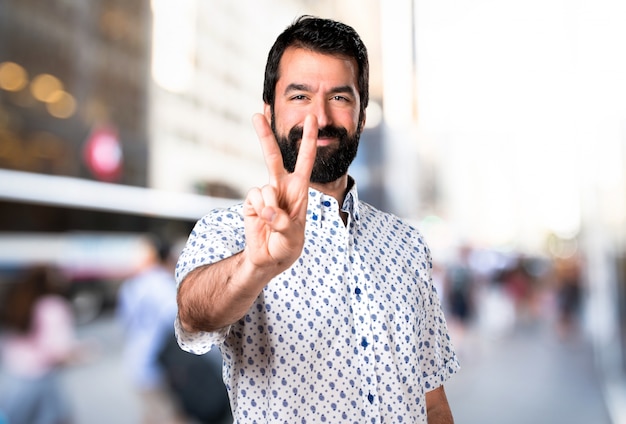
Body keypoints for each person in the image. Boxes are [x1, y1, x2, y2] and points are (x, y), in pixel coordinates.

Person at [175, 15, 460, 423]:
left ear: (362, 116)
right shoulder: (229, 230)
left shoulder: (407, 242)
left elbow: (431, 399)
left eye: (340, 98)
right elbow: (194, 314)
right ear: (270, 111)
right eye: (300, 96)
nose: (320, 118)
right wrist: (255, 266)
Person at [0, 265, 85, 424]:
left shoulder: (17, 300)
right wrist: (83, 353)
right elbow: (59, 350)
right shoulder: (52, 305)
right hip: (41, 380)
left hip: (14, 378)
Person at [116, 235, 188, 424]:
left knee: (152, 414)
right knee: (171, 416)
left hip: (136, 360)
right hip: (159, 365)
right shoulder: (162, 283)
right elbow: (179, 321)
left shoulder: (131, 285)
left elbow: (125, 322)